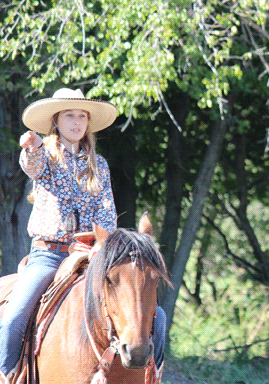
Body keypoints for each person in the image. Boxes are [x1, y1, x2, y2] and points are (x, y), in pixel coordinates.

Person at [0, 88, 165, 382]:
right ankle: (8, 372)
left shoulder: (98, 164)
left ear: (87, 123)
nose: (76, 122)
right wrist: (32, 147)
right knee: (15, 314)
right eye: (69, 116)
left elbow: (106, 212)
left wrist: (104, 246)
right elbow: (33, 167)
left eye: (81, 116)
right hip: (48, 255)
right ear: (56, 121)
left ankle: (153, 374)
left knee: (158, 316)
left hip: (91, 254)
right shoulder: (45, 156)